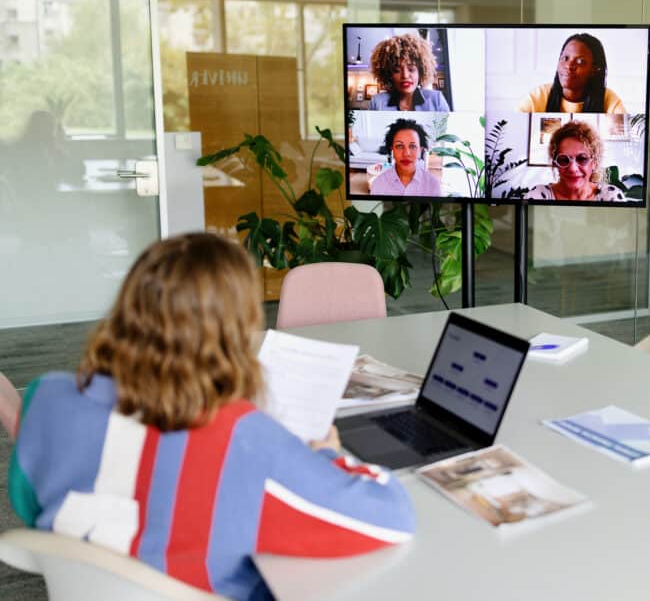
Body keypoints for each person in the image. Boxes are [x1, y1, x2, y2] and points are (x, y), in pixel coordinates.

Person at [8, 233, 416, 600]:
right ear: (234, 332)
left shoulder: (47, 396)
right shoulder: (245, 439)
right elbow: (391, 516)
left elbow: (31, 506)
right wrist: (327, 455)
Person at [517, 33, 626, 114]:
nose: (569, 65)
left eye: (580, 61)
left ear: (595, 69)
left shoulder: (608, 99)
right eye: (565, 58)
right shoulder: (538, 96)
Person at [524, 121, 626, 202]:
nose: (573, 168)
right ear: (555, 163)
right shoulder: (538, 196)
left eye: (582, 159)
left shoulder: (611, 196)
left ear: (594, 162)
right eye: (564, 160)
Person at [368, 33, 451, 111]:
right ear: (389, 74)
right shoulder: (377, 102)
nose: (405, 75)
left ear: (421, 71)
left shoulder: (436, 100)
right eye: (397, 70)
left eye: (411, 69)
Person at [369, 118, 443, 197]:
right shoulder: (378, 184)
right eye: (399, 146)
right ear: (392, 149)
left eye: (412, 146)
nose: (406, 153)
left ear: (420, 150)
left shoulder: (433, 184)